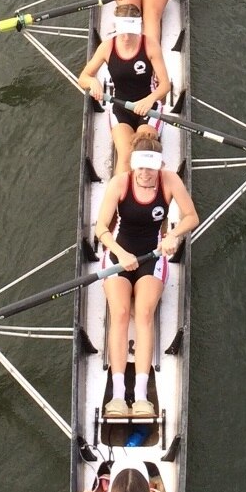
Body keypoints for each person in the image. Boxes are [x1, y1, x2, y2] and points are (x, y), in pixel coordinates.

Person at [94, 125, 198, 417]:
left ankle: (141, 397)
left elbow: (192, 216)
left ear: (160, 166)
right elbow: (101, 229)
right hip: (119, 253)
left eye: (150, 170)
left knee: (143, 314)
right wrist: (121, 253)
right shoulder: (120, 183)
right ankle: (116, 397)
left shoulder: (170, 180)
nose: (145, 175)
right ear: (133, 164)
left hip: (153, 256)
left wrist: (173, 235)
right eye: (140, 168)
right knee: (121, 313)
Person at [77, 0, 172, 175]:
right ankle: (118, 200)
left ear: (138, 27)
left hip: (149, 107)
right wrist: (93, 82)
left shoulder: (150, 45)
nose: (126, 37)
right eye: (122, 32)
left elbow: (165, 85)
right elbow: (83, 77)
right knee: (127, 155)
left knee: (142, 152)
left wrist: (148, 100)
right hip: (120, 108)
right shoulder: (107, 47)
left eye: (130, 31)